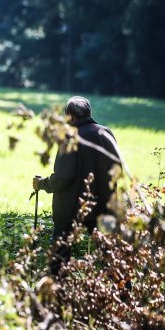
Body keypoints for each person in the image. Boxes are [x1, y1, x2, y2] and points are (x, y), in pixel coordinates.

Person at [32, 96, 121, 275]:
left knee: (59, 257)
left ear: (69, 115)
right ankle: (123, 293)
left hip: (69, 209)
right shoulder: (105, 133)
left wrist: (42, 184)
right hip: (104, 205)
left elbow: (64, 176)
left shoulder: (69, 137)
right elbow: (116, 167)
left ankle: (56, 296)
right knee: (110, 254)